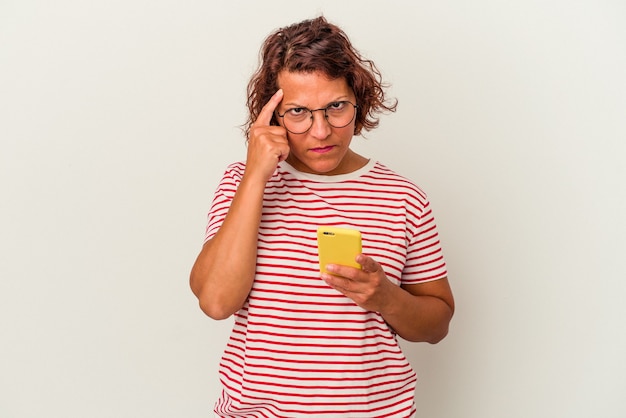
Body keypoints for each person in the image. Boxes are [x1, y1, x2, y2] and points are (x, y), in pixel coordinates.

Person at [190, 16, 454, 418]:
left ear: (358, 101)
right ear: (272, 115)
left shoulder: (403, 198)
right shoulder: (241, 183)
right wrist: (256, 175)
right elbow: (215, 302)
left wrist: (385, 296)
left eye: (335, 107)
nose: (320, 131)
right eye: (298, 111)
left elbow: (437, 325)